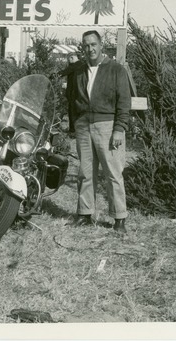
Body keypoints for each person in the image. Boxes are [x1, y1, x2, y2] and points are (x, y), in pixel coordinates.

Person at [67, 30, 131, 233]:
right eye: (86, 45)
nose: (90, 49)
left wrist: (119, 129)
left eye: (93, 44)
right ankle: (85, 214)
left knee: (113, 173)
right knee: (85, 173)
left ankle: (119, 218)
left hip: (107, 126)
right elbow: (71, 98)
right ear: (82, 47)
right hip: (84, 126)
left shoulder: (115, 69)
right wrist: (74, 124)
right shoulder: (78, 70)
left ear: (101, 45)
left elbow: (124, 101)